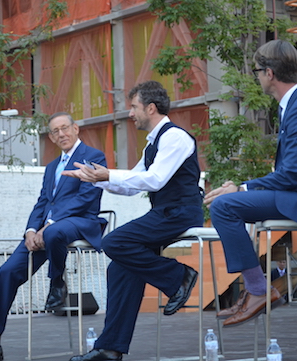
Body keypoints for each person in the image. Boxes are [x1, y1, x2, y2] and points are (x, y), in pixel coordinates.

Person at [204, 39, 297, 327]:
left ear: (269, 73)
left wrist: (242, 187)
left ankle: (258, 290)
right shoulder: (295, 105)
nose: (256, 77)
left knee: (223, 206)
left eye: (257, 71)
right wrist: (244, 187)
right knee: (226, 204)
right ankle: (256, 290)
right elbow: (289, 173)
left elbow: (289, 175)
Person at [63, 80, 204, 361]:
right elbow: (131, 185)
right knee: (119, 269)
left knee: (114, 242)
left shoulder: (175, 138)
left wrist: (107, 175)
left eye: (134, 107)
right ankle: (110, 349)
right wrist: (95, 177)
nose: (130, 113)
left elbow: (155, 179)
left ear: (150, 108)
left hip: (180, 212)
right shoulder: (153, 144)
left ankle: (179, 277)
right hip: (164, 212)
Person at [0, 112, 106, 361]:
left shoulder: (93, 156)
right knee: (7, 272)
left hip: (81, 221)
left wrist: (47, 225)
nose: (61, 134)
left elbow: (85, 199)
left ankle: (57, 283)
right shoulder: (51, 167)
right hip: (46, 230)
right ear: (51, 137)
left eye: (65, 128)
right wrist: (30, 231)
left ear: (76, 129)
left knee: (56, 231)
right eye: (55, 131)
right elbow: (43, 202)